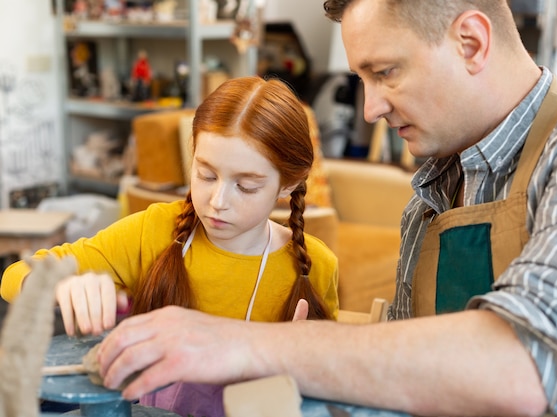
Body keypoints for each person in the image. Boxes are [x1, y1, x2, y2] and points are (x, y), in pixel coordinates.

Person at [79, 1, 557, 416]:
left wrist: (245, 345)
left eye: (385, 72)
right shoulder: (434, 190)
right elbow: (413, 365)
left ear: (471, 42)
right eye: (362, 79)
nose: (369, 109)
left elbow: (522, 365)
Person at [0, 76, 339, 417]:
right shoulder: (155, 231)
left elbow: (333, 389)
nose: (218, 201)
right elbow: (14, 276)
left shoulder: (315, 266)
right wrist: (59, 285)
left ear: (289, 183)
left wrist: (301, 367)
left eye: (246, 186)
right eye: (206, 175)